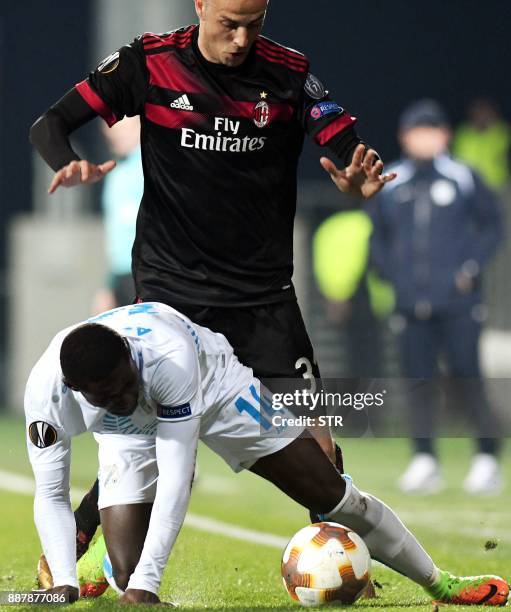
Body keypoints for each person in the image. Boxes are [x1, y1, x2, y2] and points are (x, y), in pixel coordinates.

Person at [29, 0, 396, 553]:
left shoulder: (289, 71)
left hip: (263, 294)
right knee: (147, 438)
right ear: (200, 6)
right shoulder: (149, 63)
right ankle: (83, 528)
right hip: (171, 292)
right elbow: (49, 123)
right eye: (229, 22)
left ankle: (344, 561)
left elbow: (336, 132)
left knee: (318, 442)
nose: (242, 38)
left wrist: (352, 171)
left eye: (254, 23)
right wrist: (65, 160)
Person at [26, 302, 508, 605]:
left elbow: (177, 477)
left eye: (125, 385)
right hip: (124, 436)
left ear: (132, 360)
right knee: (127, 572)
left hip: (215, 387)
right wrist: (62, 577)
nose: (123, 398)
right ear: (73, 389)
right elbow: (49, 494)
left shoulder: (164, 361)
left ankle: (440, 584)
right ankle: (108, 564)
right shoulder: (45, 398)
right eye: (106, 396)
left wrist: (148, 587)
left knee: (331, 492)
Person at [369, 100, 503, 495]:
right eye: (416, 131)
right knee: (418, 382)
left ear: (444, 135)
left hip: (459, 303)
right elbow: (378, 235)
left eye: (431, 130)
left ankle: (486, 459)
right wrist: (393, 274)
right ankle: (424, 459)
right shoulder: (392, 180)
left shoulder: (464, 177)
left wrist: (470, 268)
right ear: (403, 136)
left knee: (468, 378)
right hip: (410, 304)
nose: (423, 138)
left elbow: (492, 226)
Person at [92, 116, 143, 314]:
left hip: (152, 276)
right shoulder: (116, 174)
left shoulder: (157, 166)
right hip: (123, 277)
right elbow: (118, 240)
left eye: (123, 126)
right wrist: (109, 286)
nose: (113, 133)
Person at [452, 98, 511, 192]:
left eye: (486, 112)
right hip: (469, 186)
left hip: (498, 184)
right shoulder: (463, 134)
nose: (482, 116)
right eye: (478, 112)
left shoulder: (502, 132)